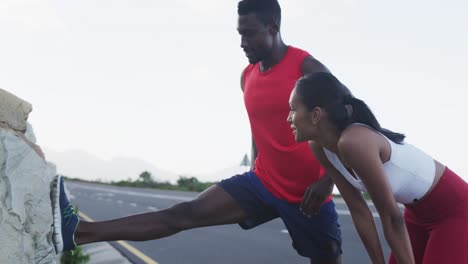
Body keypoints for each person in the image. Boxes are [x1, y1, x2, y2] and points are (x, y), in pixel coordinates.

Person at [53, 1, 344, 262]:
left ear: (273, 28)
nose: (243, 42)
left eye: (250, 33)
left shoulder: (308, 68)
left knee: (327, 257)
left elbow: (350, 121)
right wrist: (258, 167)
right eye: (239, 33)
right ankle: (79, 233)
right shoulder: (248, 77)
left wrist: (328, 181)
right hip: (263, 182)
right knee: (183, 214)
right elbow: (259, 126)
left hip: (307, 194)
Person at [287, 72, 468, 264]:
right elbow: (359, 210)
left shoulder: (354, 141)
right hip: (415, 215)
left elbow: (390, 216)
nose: (288, 119)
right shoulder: (319, 146)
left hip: (454, 211)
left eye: (293, 110)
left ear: (315, 115)